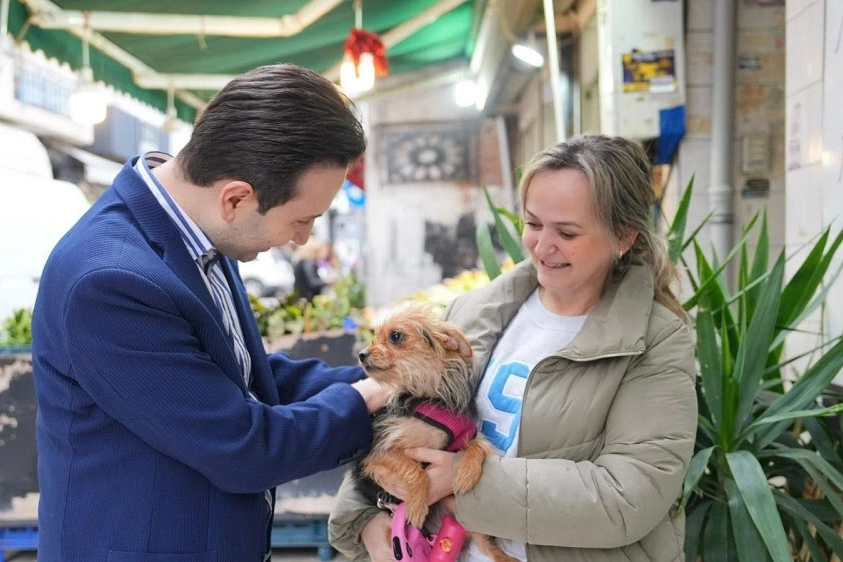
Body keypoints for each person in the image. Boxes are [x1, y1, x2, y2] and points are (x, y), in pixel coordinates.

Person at [31, 63, 389, 562]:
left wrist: (391, 382)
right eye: (301, 219)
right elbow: (243, 445)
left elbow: (240, 375)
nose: (303, 238)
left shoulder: (197, 234)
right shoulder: (111, 282)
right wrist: (370, 397)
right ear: (236, 199)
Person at [329, 135, 698, 561]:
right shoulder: (472, 313)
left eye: (568, 232)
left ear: (623, 237)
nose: (543, 245)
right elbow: (395, 423)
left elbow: (628, 496)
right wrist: (367, 524)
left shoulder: (655, 341)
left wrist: (465, 483)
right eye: (533, 223)